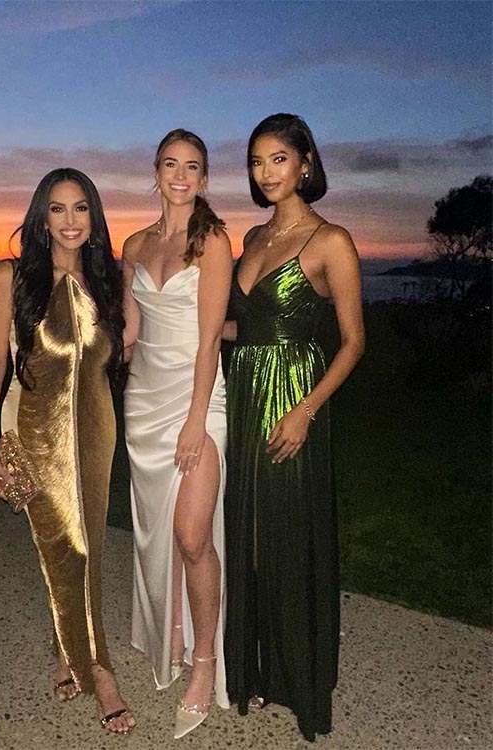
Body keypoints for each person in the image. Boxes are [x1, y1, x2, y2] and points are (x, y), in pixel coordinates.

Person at [0, 168, 135, 735]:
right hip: (34, 431)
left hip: (96, 429)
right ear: (42, 217)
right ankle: (100, 671)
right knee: (66, 544)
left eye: (81, 208)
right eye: (58, 209)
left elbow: (119, 353)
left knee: (86, 544)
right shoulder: (12, 277)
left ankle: (69, 651)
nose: (70, 220)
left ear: (94, 217)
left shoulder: (106, 280)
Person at [223, 113, 365, 742]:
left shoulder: (331, 240)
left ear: (306, 164)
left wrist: (306, 411)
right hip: (244, 396)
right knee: (250, 536)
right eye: (257, 162)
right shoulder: (252, 237)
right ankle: (258, 670)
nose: (266, 172)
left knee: (291, 534)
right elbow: (244, 329)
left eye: (278, 159)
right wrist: (182, 334)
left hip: (293, 402)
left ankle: (302, 682)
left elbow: (354, 342)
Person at [122, 129, 232, 739]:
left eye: (193, 167)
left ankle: (205, 661)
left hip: (198, 398)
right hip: (143, 400)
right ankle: (171, 632)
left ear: (204, 178)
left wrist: (194, 420)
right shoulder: (134, 245)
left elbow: (210, 338)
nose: (181, 176)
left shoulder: (213, 241)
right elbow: (131, 329)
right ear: (156, 172)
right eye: (171, 164)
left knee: (193, 534)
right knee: (160, 531)